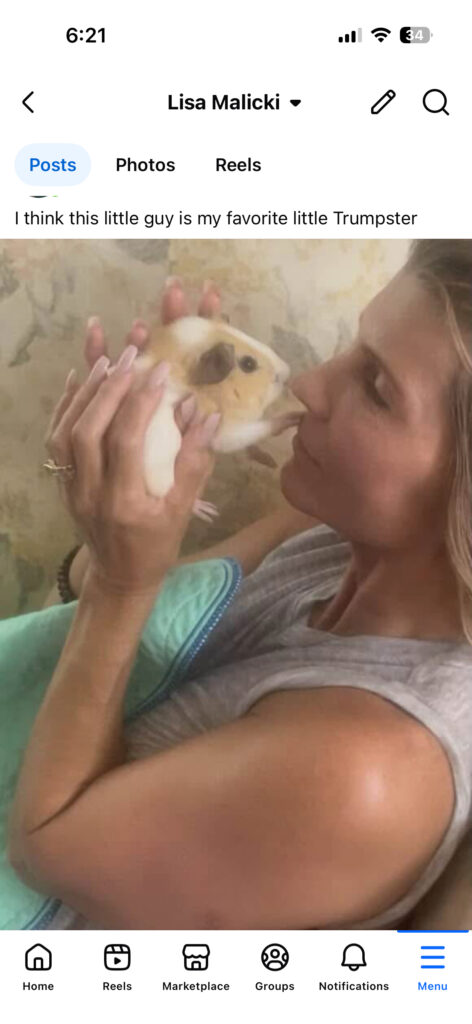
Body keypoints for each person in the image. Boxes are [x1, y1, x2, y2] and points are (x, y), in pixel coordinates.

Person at [7, 245, 472, 931]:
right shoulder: (336, 538)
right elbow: (140, 606)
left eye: (376, 388)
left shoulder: (373, 769)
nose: (312, 383)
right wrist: (153, 462)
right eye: (353, 347)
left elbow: (46, 847)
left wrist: (122, 578)